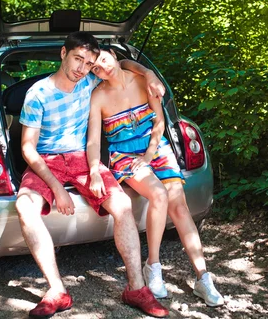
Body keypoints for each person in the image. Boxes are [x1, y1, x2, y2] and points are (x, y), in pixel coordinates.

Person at [16, 32, 169, 318]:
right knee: (25, 206)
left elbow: (120, 63)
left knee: (123, 205)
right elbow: (28, 149)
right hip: (46, 159)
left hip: (81, 159)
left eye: (88, 63)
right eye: (77, 59)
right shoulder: (38, 93)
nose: (82, 68)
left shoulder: (90, 81)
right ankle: (57, 291)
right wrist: (57, 189)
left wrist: (149, 74)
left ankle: (136, 288)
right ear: (63, 53)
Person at [86, 48, 225, 307]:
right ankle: (154, 266)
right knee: (159, 195)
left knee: (180, 206)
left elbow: (159, 121)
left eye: (104, 59)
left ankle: (203, 278)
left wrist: (149, 156)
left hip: (155, 148)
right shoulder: (98, 97)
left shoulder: (144, 81)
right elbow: (94, 140)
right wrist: (94, 169)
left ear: (114, 57)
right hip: (124, 155)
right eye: (94, 68)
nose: (102, 68)